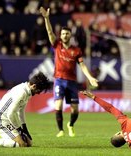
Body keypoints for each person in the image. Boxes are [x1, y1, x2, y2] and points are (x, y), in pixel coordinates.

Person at [39, 7, 98, 137]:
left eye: (67, 34)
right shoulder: (56, 45)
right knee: (58, 105)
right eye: (63, 34)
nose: (65, 35)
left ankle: (70, 125)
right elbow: (49, 32)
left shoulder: (76, 51)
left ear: (70, 35)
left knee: (75, 109)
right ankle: (60, 130)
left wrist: (90, 78)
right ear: (60, 35)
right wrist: (46, 18)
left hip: (72, 82)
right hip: (59, 79)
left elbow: (82, 66)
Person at [0, 72, 52, 148]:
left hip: (8, 120)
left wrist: (24, 128)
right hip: (0, 121)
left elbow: (21, 111)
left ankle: (6, 138)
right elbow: (10, 114)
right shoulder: (22, 92)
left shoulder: (27, 91)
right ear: (34, 86)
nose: (39, 93)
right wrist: (19, 129)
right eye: (39, 90)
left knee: (29, 143)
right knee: (21, 145)